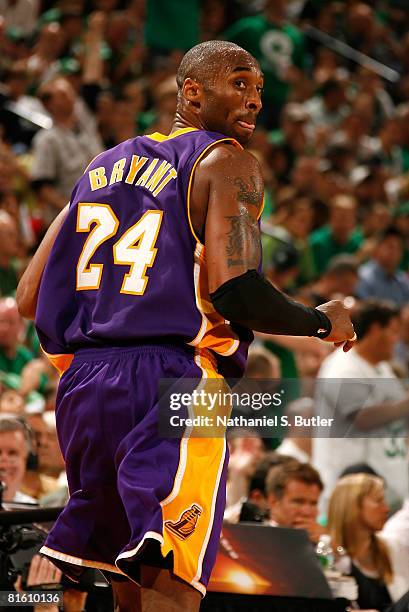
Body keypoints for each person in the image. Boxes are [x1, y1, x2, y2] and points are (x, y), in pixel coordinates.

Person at [16, 41, 355, 611]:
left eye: (259, 89)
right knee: (172, 584)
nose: (253, 100)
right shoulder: (225, 160)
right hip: (175, 381)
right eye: (239, 83)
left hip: (85, 389)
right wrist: (321, 322)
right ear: (191, 91)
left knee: (127, 583)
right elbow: (235, 289)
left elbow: (29, 296)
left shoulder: (101, 166)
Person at [313, 300, 409, 514]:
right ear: (375, 330)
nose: (397, 340)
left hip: (385, 489)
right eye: (393, 332)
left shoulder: (382, 367)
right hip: (348, 491)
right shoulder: (342, 366)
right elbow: (362, 418)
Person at [328, 473, 409, 610]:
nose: (386, 508)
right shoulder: (331, 553)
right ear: (353, 506)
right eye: (378, 501)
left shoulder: (392, 547)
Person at [266, 459, 326, 544]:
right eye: (298, 502)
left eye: (313, 503)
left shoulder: (326, 541)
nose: (307, 512)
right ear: (273, 501)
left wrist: (326, 542)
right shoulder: (250, 542)